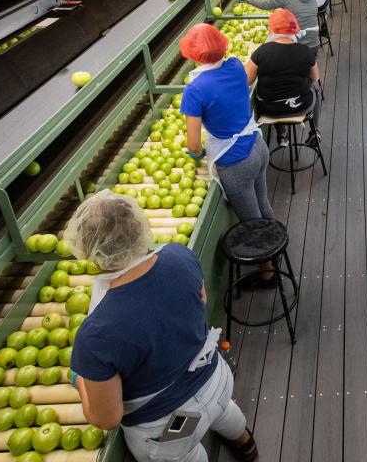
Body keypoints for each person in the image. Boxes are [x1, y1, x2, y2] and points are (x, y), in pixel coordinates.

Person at [65, 191, 259, 462]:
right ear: (138, 225)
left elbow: (107, 418)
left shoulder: (96, 333)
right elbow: (200, 299)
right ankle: (246, 445)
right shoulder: (178, 256)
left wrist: (81, 381)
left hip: (173, 422)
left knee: (186, 454)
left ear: (88, 251)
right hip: (216, 380)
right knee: (223, 409)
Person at [178, 24, 275, 260]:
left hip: (236, 162)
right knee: (262, 203)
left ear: (192, 53)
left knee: (252, 221)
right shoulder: (234, 65)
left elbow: (192, 144)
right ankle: (275, 242)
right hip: (258, 147)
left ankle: (268, 271)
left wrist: (199, 153)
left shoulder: (194, 90)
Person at [246, 9, 322, 147]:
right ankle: (314, 131)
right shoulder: (304, 50)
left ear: (271, 29)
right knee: (316, 89)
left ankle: (282, 134)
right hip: (301, 106)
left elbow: (246, 81)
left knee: (270, 93)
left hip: (270, 109)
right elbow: (315, 77)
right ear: (294, 30)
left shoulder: (262, 52)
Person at [231, 0, 321, 57]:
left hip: (297, 45)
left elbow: (264, 5)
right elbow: (300, 16)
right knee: (306, 69)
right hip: (314, 44)